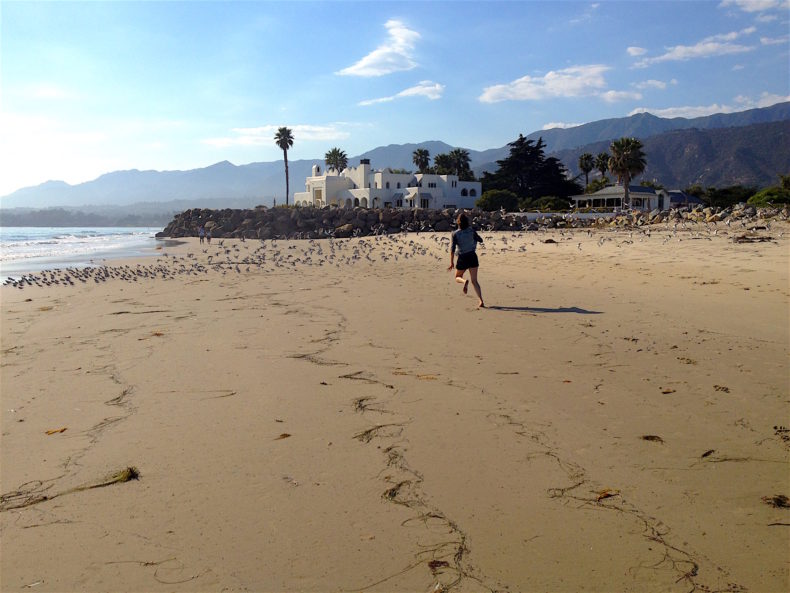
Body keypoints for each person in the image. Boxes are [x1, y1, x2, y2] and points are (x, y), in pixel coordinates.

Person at [448, 213, 484, 308]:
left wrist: (451, 262)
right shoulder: (471, 231)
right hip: (472, 256)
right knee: (475, 281)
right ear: (467, 222)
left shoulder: (455, 234)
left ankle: (464, 282)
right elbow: (481, 240)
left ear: (458, 222)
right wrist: (474, 239)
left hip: (462, 257)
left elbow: (452, 249)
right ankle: (481, 301)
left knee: (457, 277)